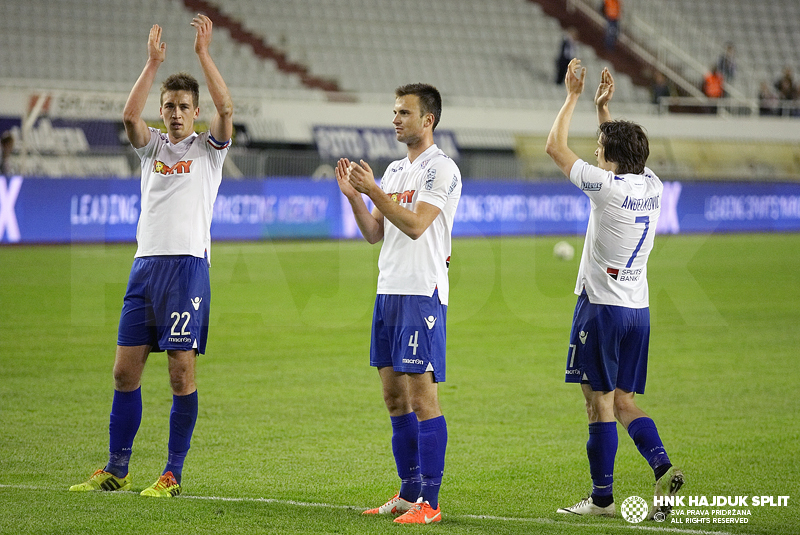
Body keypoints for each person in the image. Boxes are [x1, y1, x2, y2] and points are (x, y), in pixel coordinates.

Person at [69, 14, 233, 498]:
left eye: (183, 106)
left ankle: (171, 473)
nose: (175, 113)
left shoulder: (210, 150)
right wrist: (152, 64)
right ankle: (117, 468)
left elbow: (227, 107)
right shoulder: (153, 148)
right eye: (169, 106)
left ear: (195, 109)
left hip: (186, 269)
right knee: (124, 371)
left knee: (181, 371)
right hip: (145, 268)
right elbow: (127, 117)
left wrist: (203, 55)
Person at [545, 59, 684, 520]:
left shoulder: (605, 187)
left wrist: (573, 96)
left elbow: (554, 147)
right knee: (623, 400)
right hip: (637, 311)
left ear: (611, 159)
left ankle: (602, 499)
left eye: (600, 147)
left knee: (597, 403)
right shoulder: (652, 185)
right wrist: (607, 112)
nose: (596, 151)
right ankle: (662, 466)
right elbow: (625, 156)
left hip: (601, 309)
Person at [335, 83, 461, 525]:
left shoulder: (440, 169)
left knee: (422, 397)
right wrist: (356, 196)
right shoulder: (392, 171)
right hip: (388, 291)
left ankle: (431, 501)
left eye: (403, 113)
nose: (395, 119)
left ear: (427, 120)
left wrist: (373, 190)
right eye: (394, 112)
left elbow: (415, 225)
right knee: (394, 398)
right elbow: (376, 233)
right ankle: (408, 494)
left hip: (420, 292)